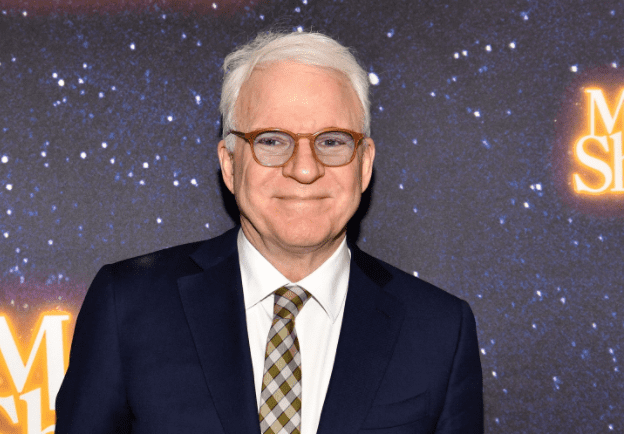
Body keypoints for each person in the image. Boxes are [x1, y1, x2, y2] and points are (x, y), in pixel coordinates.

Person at [55, 31, 483, 434]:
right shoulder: (129, 305)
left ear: (364, 162)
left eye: (332, 141)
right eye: (272, 140)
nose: (303, 168)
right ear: (229, 162)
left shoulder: (439, 331)